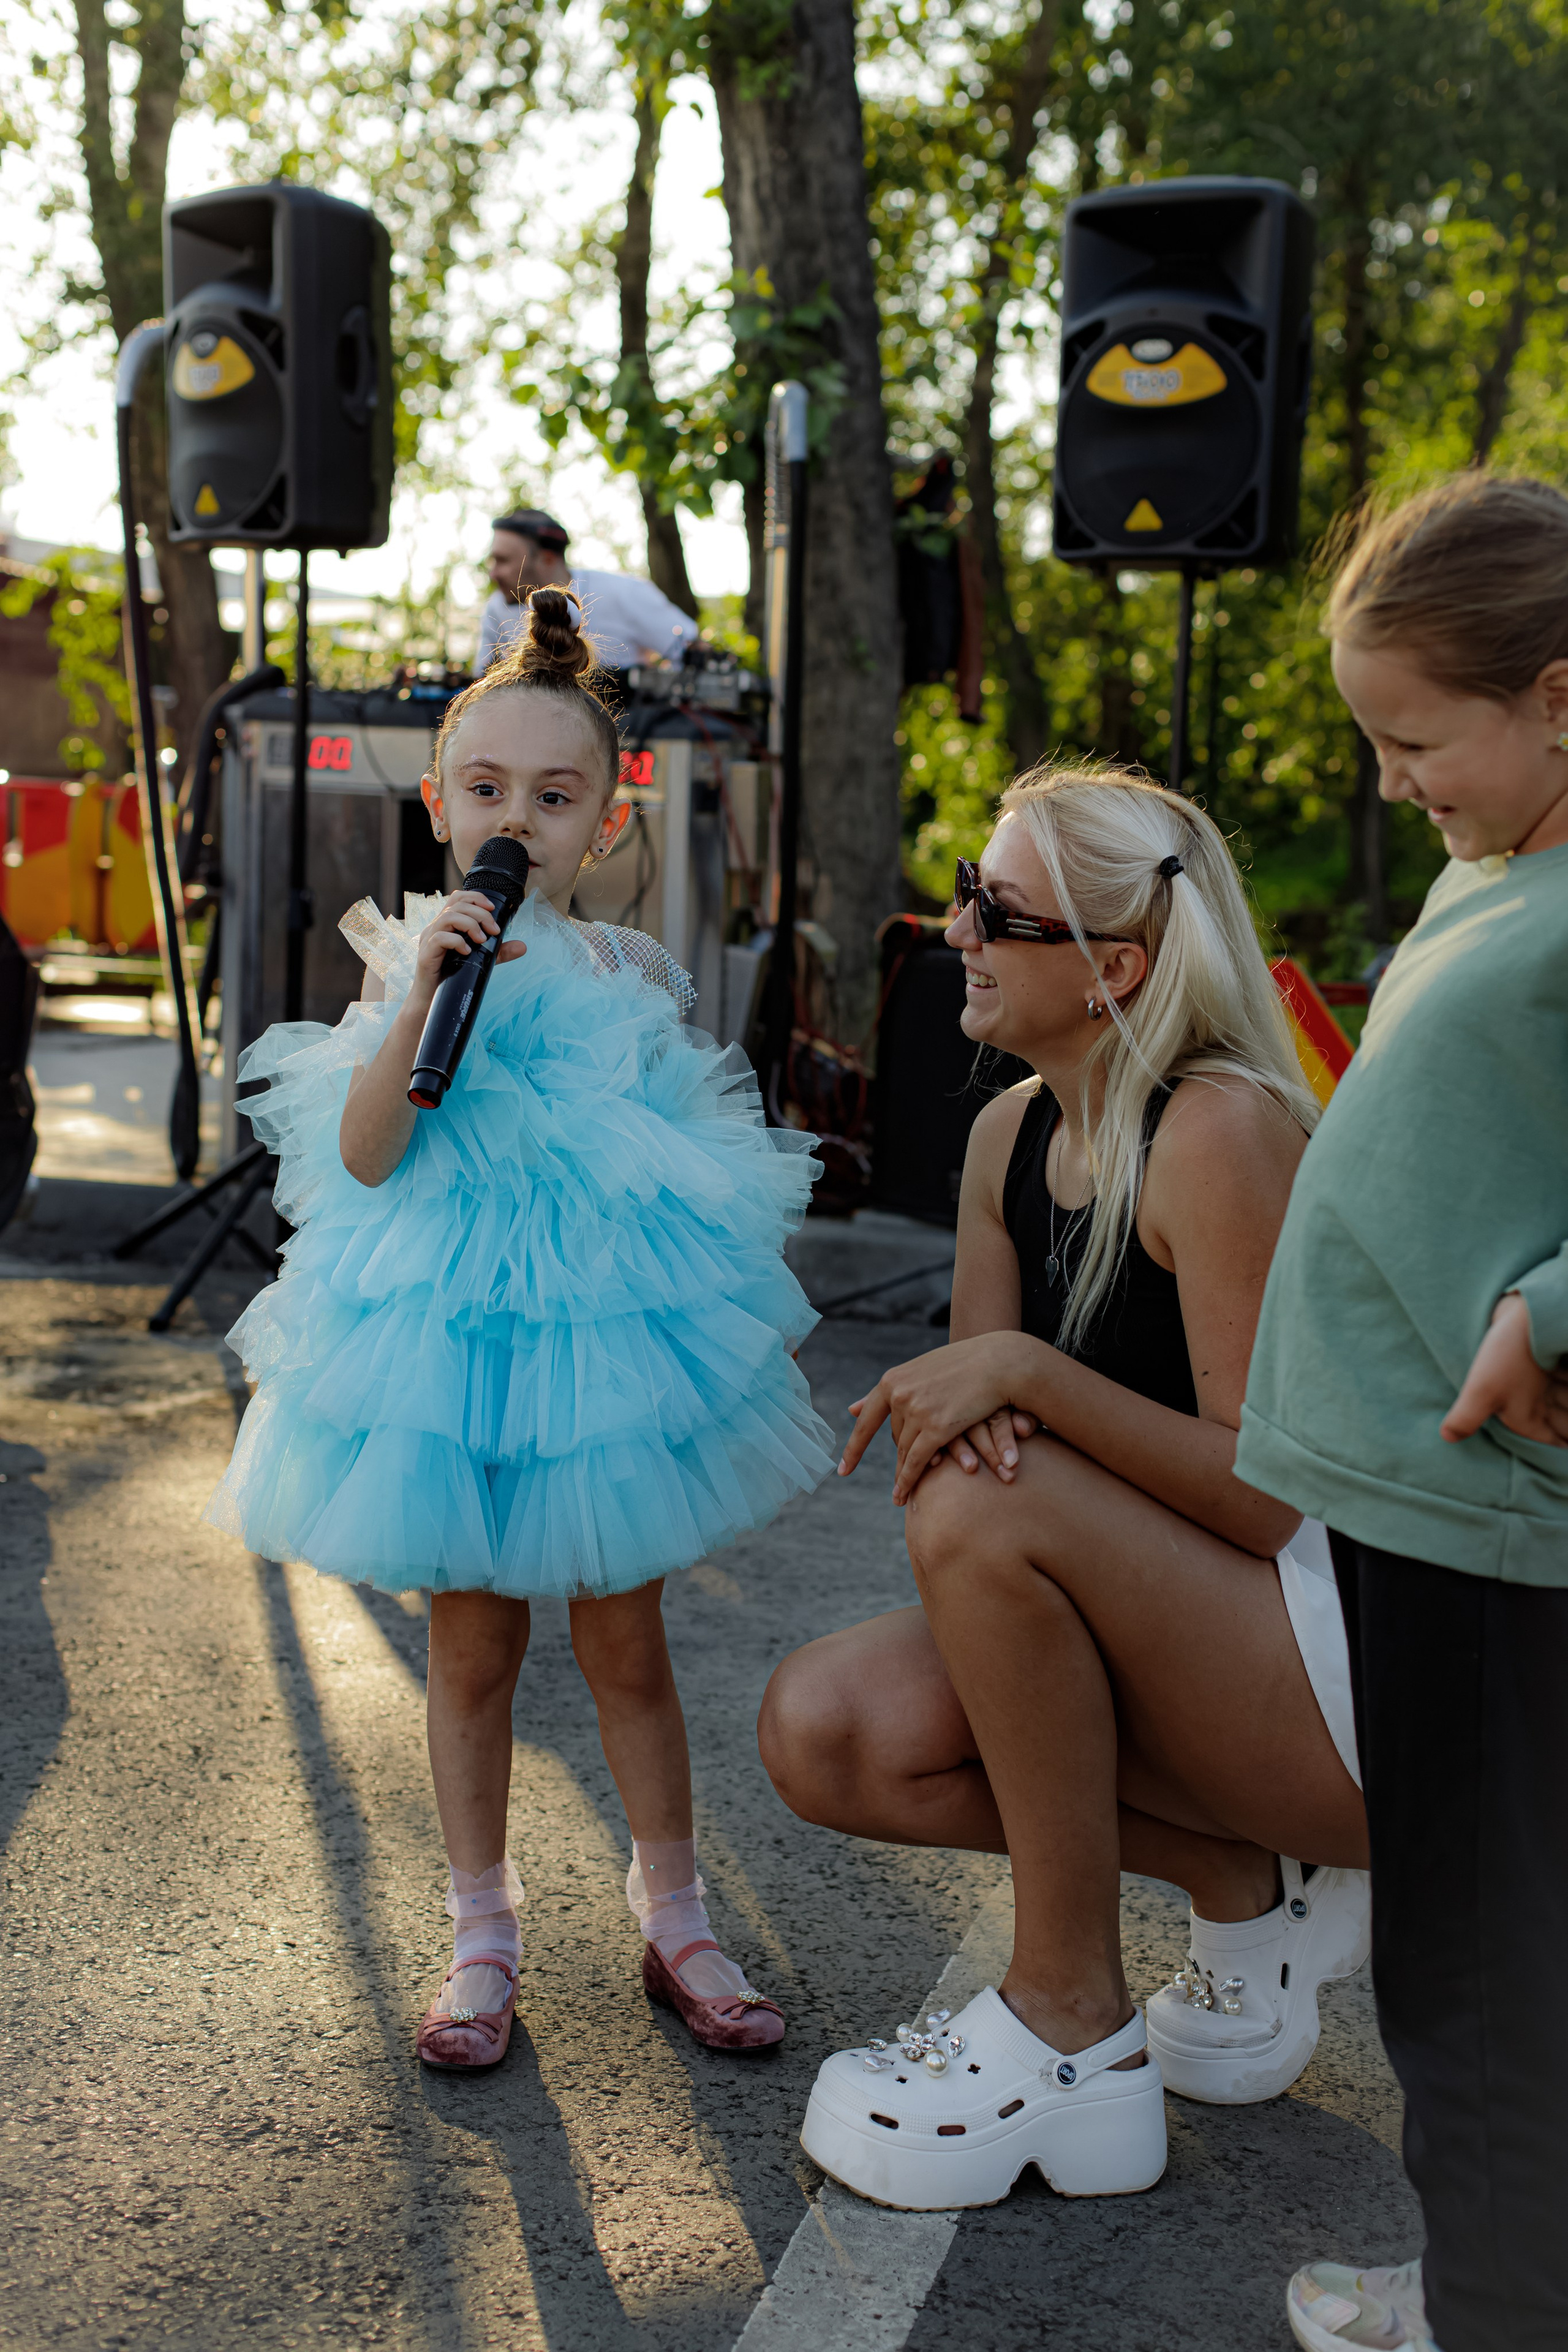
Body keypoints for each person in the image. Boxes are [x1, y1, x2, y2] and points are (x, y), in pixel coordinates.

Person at [205, 587, 834, 2069]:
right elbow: (364, 1155)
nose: (518, 818)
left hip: (590, 1356)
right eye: (487, 789)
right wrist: (425, 985)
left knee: (625, 1638)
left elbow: (684, 1165)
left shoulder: (622, 975)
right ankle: (479, 1928)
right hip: (444, 1354)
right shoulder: (405, 960)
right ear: (436, 803)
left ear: (603, 826)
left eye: (554, 798)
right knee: (471, 1649)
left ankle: (671, 1908)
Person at [757, 764, 1372, 2214]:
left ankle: (1063, 2020)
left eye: (993, 909)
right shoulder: (1003, 1138)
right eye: (965, 893)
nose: (951, 927)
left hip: (1339, 1673)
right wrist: (1007, 1397)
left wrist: (1028, 1372)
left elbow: (1268, 1498)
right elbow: (964, 1459)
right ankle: (1239, 1876)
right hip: (1173, 1639)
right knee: (826, 1728)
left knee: (990, 1503)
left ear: (1113, 968)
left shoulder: (1218, 1130)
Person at [1227, 478, 1568, 2352]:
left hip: (1489, 1511)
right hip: (1416, 1504)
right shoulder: (1499, 851)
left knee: (1478, 1962)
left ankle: (1503, 2304)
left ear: (1558, 693)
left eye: (1410, 738)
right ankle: (1502, 2274)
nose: (1386, 780)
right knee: (1464, 1936)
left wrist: (1551, 1307)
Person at [476, 508, 698, 680]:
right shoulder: (496, 608)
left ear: (548, 559)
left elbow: (691, 651)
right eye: (493, 561)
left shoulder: (625, 592)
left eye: (503, 561)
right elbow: (480, 678)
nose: (493, 573)